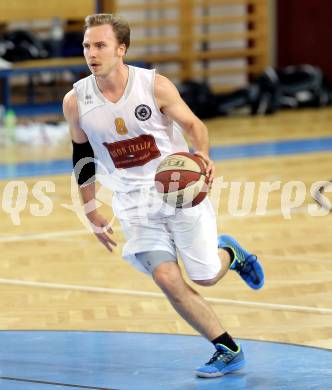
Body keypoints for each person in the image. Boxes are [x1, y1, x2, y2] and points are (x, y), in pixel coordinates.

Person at [63, 13, 264, 378]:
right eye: (87, 46)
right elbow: (83, 156)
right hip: (133, 202)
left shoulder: (154, 86)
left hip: (180, 192)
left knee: (204, 276)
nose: (91, 53)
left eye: (100, 45)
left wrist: (202, 155)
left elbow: (193, 126)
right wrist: (90, 207)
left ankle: (229, 253)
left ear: (121, 49)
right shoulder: (76, 101)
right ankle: (226, 347)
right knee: (167, 278)